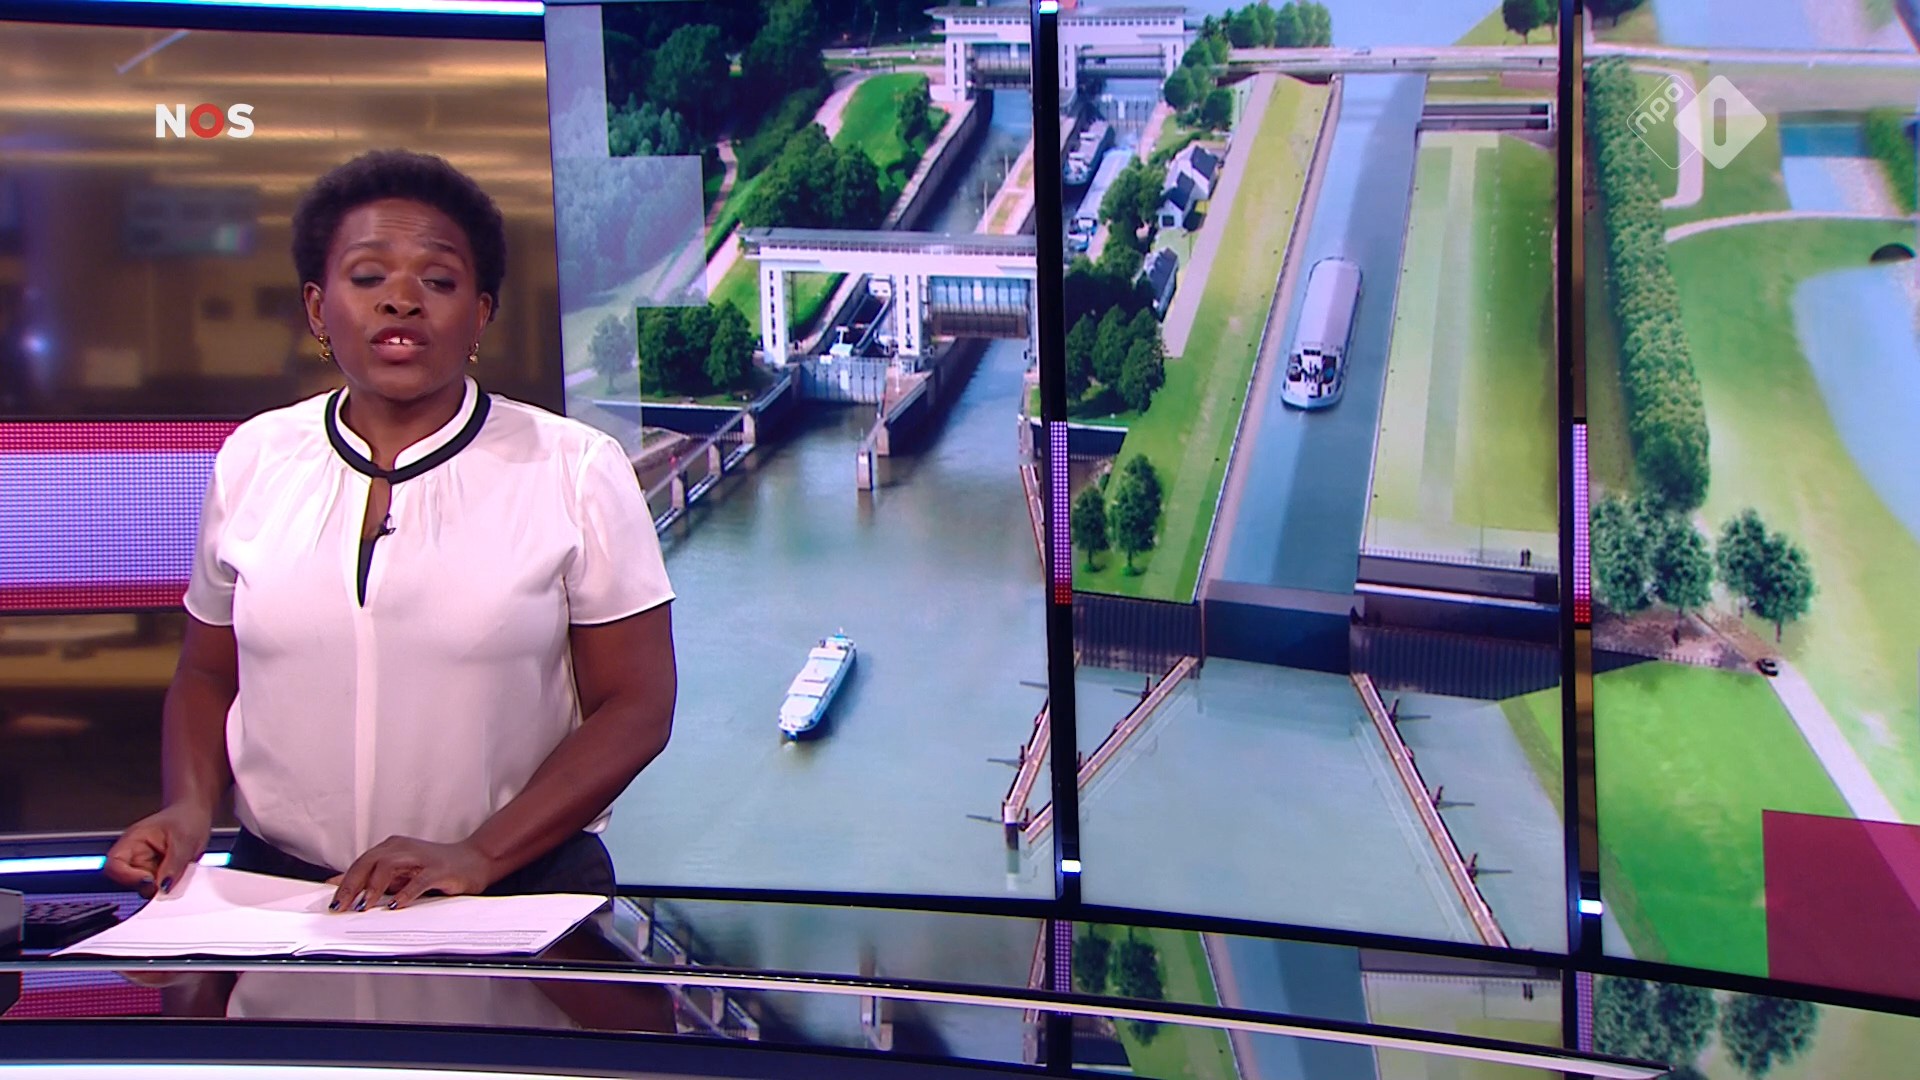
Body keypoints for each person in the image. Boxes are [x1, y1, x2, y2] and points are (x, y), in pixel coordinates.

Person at [105, 149, 677, 913]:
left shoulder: (575, 468)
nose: (401, 301)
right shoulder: (254, 457)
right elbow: (208, 674)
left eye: (437, 282)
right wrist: (188, 807)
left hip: (511, 894)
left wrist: (481, 853)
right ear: (318, 309)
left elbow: (637, 706)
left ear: (480, 314)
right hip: (277, 901)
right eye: (369, 277)